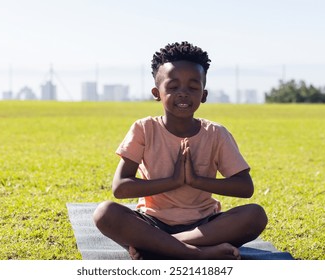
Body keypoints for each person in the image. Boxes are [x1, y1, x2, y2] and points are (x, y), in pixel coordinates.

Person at [93, 41, 267, 260]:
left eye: (193, 87)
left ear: (203, 95)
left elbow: (244, 187)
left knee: (255, 215)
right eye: (173, 87)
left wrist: (195, 180)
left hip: (204, 227)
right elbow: (120, 188)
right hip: (152, 223)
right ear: (157, 92)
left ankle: (162, 247)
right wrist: (174, 180)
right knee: (105, 213)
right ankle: (197, 254)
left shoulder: (216, 133)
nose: (183, 93)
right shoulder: (144, 129)